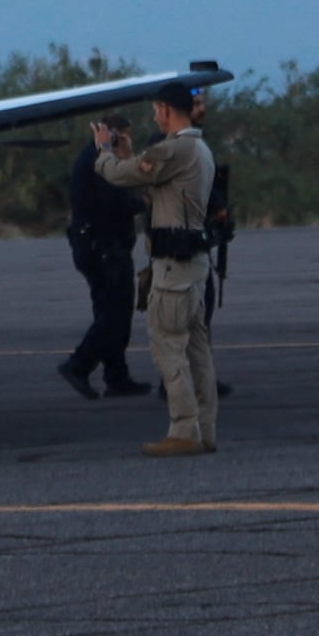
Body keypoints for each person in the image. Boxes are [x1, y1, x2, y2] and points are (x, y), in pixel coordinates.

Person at [94, 84, 218, 458]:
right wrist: (131, 156)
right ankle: (204, 428)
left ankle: (183, 430)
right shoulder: (198, 149)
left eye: (156, 110)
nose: (153, 117)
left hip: (174, 268)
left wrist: (103, 151)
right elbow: (157, 189)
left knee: (167, 345)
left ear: (166, 110)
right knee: (197, 350)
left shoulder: (175, 147)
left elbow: (121, 175)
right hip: (193, 265)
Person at [55, 131, 146, 400]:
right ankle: (79, 364)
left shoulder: (91, 159)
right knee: (114, 313)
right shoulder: (100, 163)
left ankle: (116, 375)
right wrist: (145, 202)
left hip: (98, 248)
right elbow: (114, 202)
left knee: (110, 311)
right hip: (103, 250)